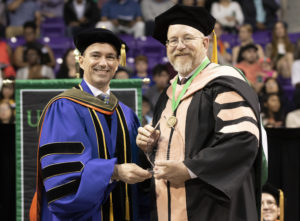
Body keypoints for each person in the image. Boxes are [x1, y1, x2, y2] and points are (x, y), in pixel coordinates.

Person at [136, 4, 263, 221]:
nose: (180, 46)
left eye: (187, 38)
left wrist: (189, 169)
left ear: (205, 43)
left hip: (213, 206)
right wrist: (150, 146)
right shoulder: (168, 94)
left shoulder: (223, 83)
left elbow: (242, 140)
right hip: (170, 203)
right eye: (173, 40)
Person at [29, 28, 152, 221]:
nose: (103, 63)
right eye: (96, 55)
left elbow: (139, 177)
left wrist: (149, 151)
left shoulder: (126, 115)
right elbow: (63, 182)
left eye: (111, 57)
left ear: (118, 64)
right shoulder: (64, 107)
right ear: (81, 61)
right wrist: (114, 171)